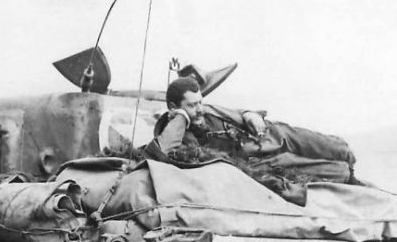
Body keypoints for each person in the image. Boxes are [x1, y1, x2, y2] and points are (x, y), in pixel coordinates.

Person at [145, 76, 359, 203]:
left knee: (333, 147)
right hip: (256, 162)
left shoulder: (204, 110)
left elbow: (234, 112)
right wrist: (181, 117)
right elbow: (163, 151)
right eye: (192, 106)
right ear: (173, 108)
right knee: (333, 171)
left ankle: (347, 159)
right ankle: (348, 176)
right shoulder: (173, 131)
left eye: (200, 102)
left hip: (268, 135)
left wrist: (249, 114)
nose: (200, 110)